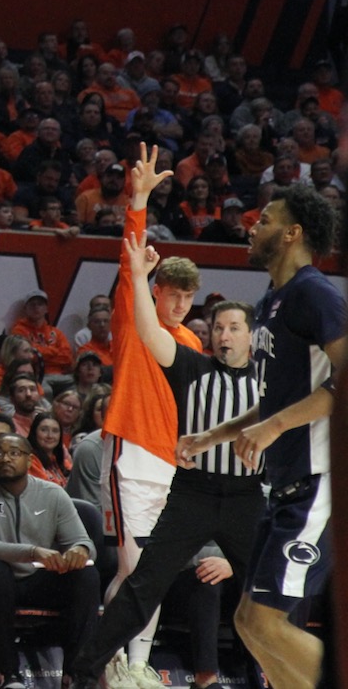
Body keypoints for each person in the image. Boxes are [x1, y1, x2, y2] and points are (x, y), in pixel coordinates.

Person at [69, 232, 264, 689]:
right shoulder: (184, 357)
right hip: (166, 473)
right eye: (218, 327)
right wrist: (137, 268)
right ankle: (106, 666)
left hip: (224, 487)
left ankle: (282, 671)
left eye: (233, 328)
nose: (223, 335)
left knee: (272, 584)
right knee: (141, 576)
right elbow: (142, 318)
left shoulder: (257, 375)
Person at [174, 185, 345, 689]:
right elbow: (274, 401)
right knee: (251, 624)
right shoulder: (272, 300)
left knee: (267, 622)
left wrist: (272, 428)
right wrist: (214, 435)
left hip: (320, 480)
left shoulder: (315, 293)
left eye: (265, 218)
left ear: (292, 233)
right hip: (287, 484)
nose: (253, 225)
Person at [100, 144, 204, 684]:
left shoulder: (189, 342)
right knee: (134, 569)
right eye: (172, 293)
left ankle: (137, 667)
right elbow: (128, 263)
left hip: (173, 466)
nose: (180, 304)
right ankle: (107, 655)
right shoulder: (135, 324)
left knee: (154, 575)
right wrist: (138, 199)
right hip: (133, 456)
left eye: (189, 297)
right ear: (155, 290)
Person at [0, 433, 100, 689]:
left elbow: (84, 543)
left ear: (29, 460)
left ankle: (77, 675)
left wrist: (79, 551)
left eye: (14, 453)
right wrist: (34, 552)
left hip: (30, 579)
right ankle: (8, 674)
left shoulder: (52, 494)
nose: (5, 459)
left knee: (86, 575)